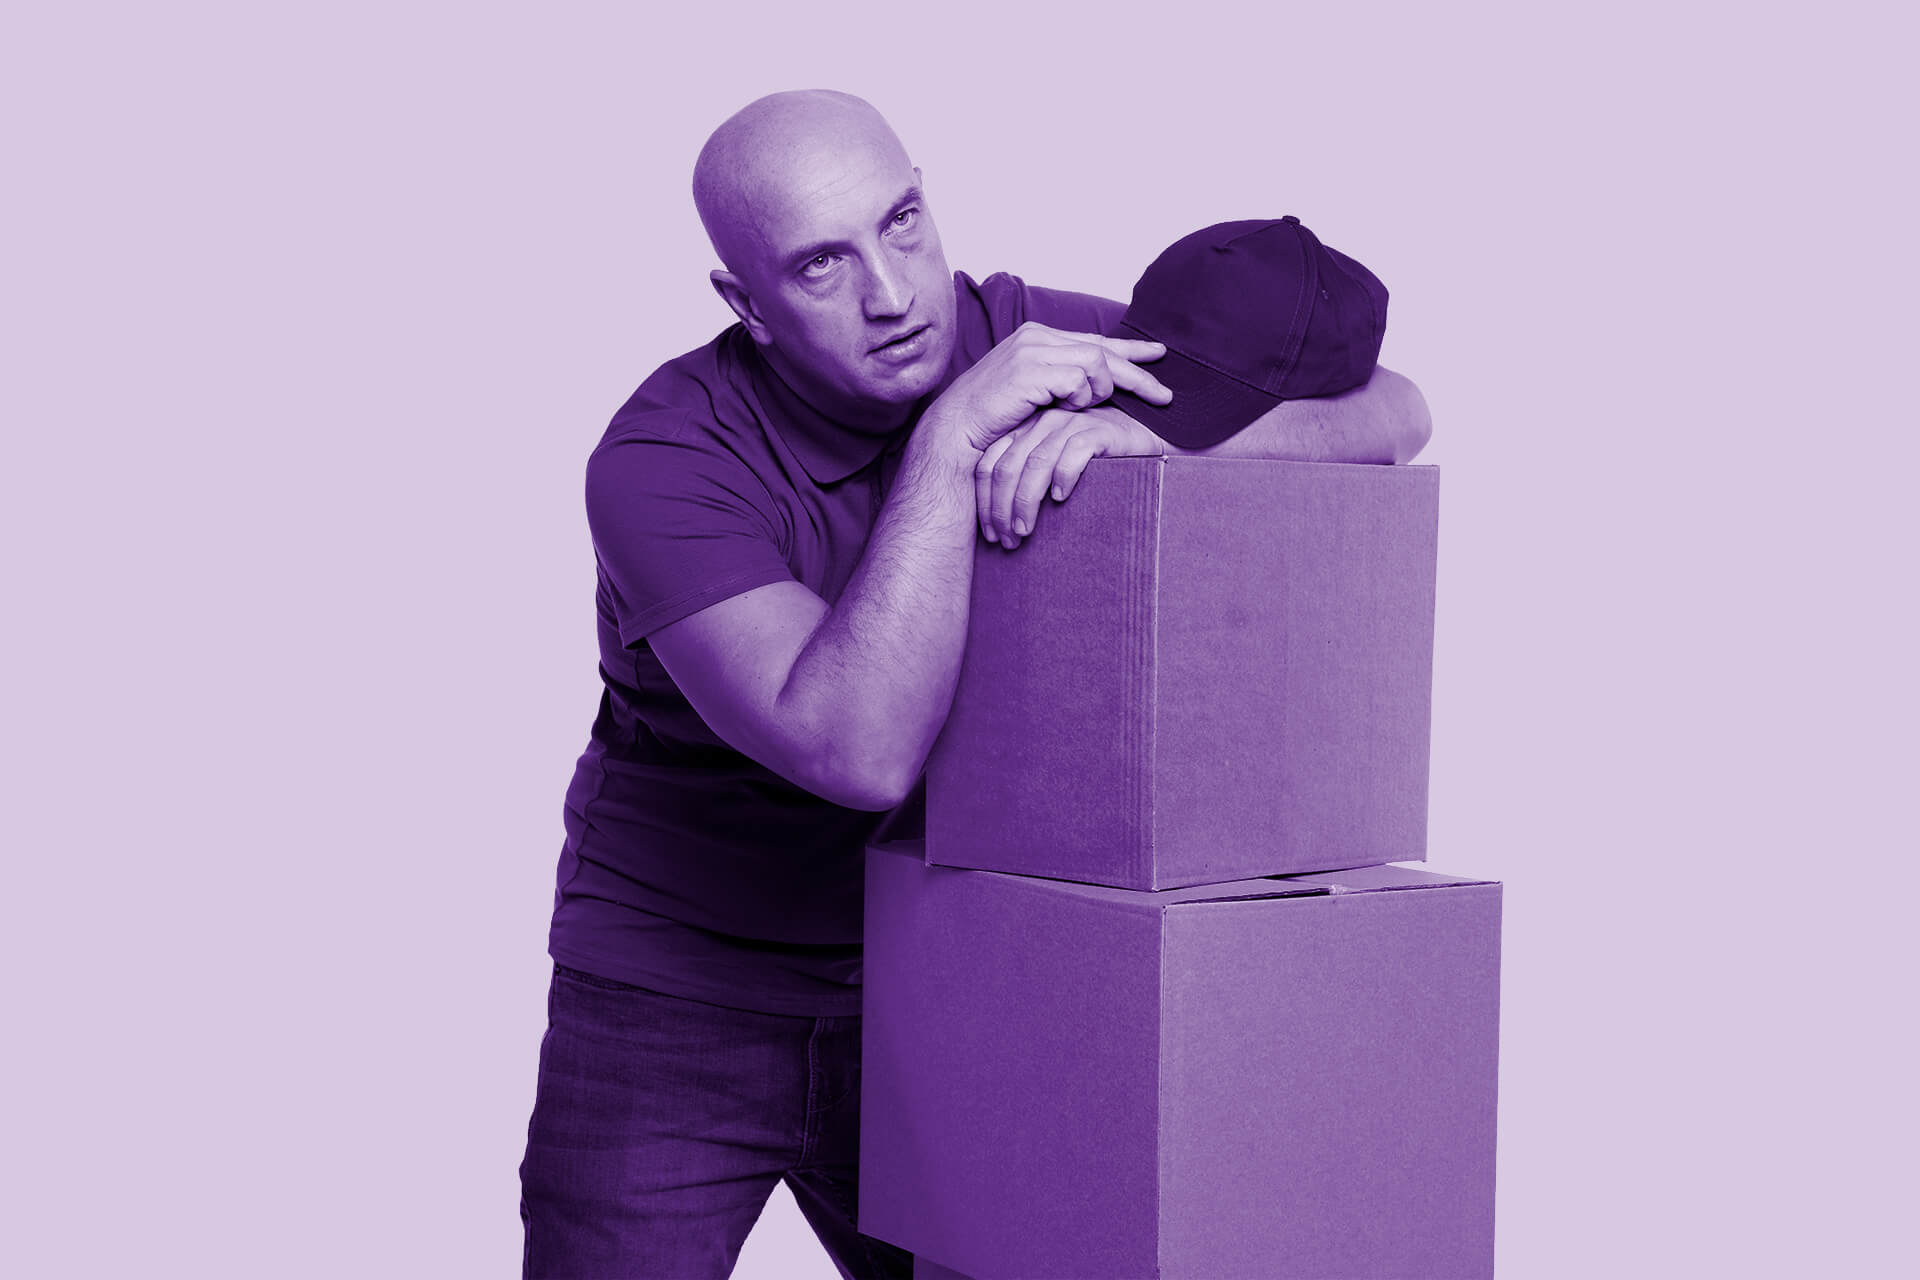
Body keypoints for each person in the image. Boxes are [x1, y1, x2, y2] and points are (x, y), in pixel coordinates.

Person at [518, 88, 1429, 1279]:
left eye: (900, 224)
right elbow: (856, 748)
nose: (893, 297)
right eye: (821, 267)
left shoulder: (1028, 333)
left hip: (946, 977)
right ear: (746, 304)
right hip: (678, 987)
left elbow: (1394, 410)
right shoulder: (663, 458)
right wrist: (954, 440)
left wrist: (1168, 442)